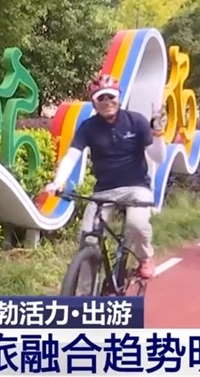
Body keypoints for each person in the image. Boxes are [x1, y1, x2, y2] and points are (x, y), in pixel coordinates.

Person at [44, 74, 167, 280]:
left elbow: (158, 157)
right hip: (104, 191)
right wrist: (58, 182)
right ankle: (84, 292)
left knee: (137, 224)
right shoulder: (88, 127)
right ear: (94, 102)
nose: (107, 101)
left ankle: (145, 257)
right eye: (101, 98)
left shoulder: (136, 121)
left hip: (136, 187)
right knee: (88, 238)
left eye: (111, 96)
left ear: (119, 97)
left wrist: (158, 133)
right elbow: (72, 156)